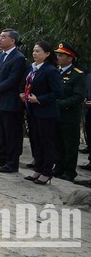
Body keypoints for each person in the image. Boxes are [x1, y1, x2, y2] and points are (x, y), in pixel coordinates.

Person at [0, 29, 28, 173]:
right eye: (0, 37)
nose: (0, 39)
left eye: (3, 37)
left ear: (13, 40)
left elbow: (12, 80)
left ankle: (12, 162)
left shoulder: (18, 58)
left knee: (11, 133)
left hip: (10, 101)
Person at [21, 41, 63, 185]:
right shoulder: (33, 68)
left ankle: (47, 171)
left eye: (38, 51)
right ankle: (38, 168)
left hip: (46, 113)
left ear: (47, 54)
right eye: (33, 51)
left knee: (47, 143)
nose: (34, 54)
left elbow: (58, 92)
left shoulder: (50, 70)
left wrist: (39, 99)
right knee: (36, 141)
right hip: (32, 111)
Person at [53, 42, 86, 181]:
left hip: (69, 115)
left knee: (70, 144)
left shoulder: (77, 74)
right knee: (57, 142)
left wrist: (59, 104)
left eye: (61, 55)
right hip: (55, 114)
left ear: (70, 58)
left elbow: (78, 97)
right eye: (57, 54)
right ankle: (58, 167)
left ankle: (69, 171)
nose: (58, 57)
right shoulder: (55, 71)